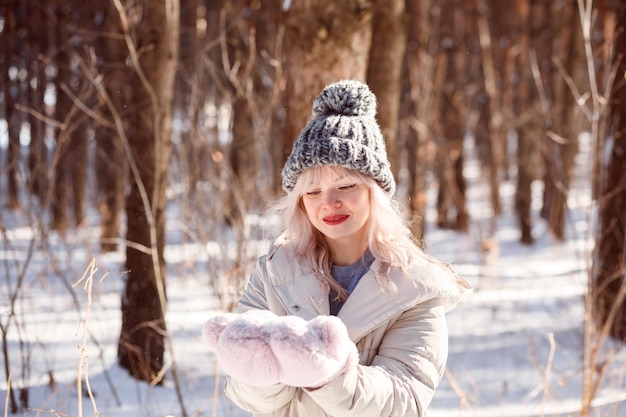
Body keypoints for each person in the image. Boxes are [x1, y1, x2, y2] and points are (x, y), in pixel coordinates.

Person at [203, 79, 472, 417]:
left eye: (345, 185)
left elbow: (403, 400)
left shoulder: (415, 286)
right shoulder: (275, 270)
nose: (329, 203)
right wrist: (259, 364)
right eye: (312, 191)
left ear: (374, 191)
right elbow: (248, 398)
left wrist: (325, 371)